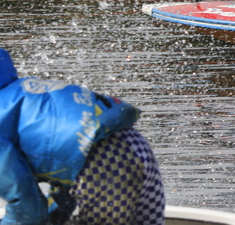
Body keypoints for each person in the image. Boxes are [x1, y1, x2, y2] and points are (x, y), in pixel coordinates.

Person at [0, 48, 164, 225]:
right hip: (134, 144)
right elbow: (66, 151)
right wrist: (55, 215)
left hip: (103, 163)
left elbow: (26, 209)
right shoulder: (25, 91)